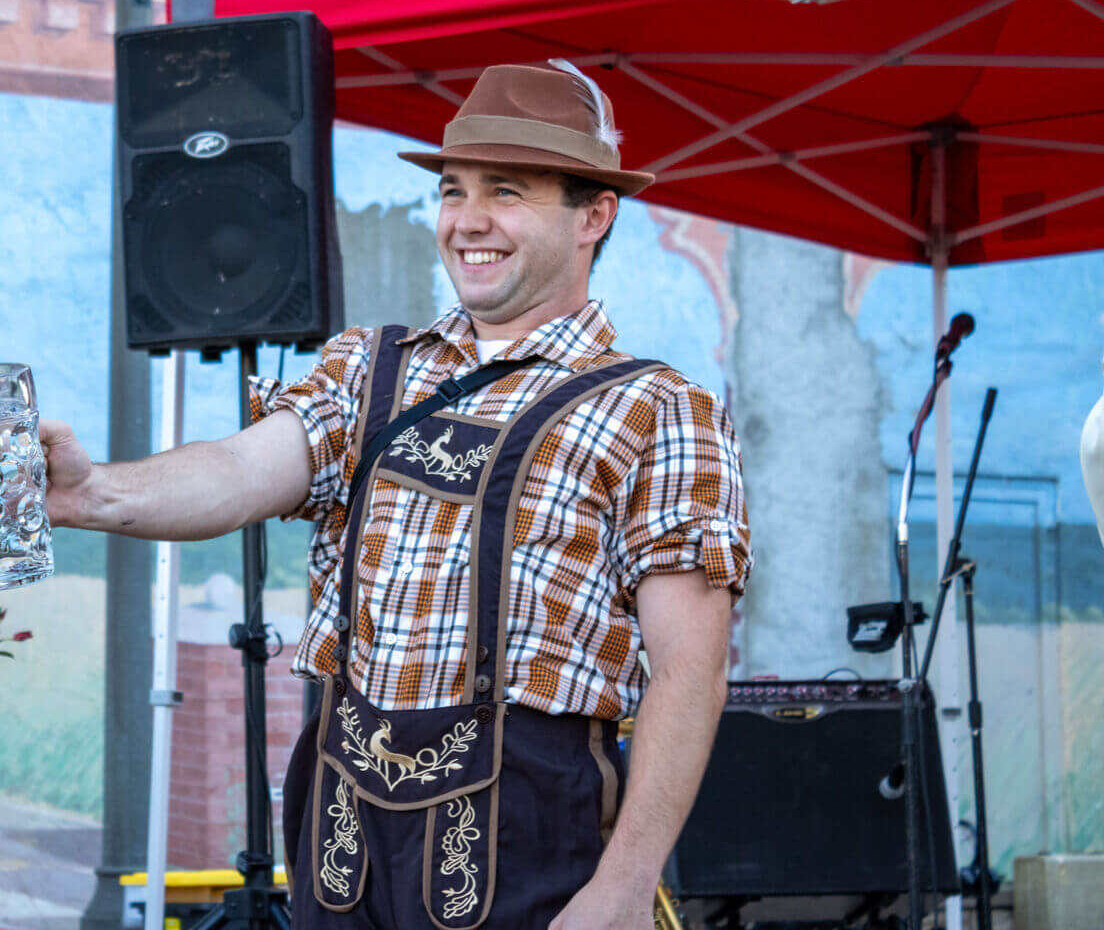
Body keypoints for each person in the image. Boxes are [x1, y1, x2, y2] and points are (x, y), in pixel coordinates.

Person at [40, 61, 751, 930]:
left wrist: (625, 884)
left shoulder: (658, 408)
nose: (468, 221)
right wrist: (95, 493)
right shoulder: (369, 369)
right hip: (344, 822)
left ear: (593, 214)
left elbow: (690, 670)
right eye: (453, 191)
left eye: (509, 192)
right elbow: (234, 471)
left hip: (530, 833)